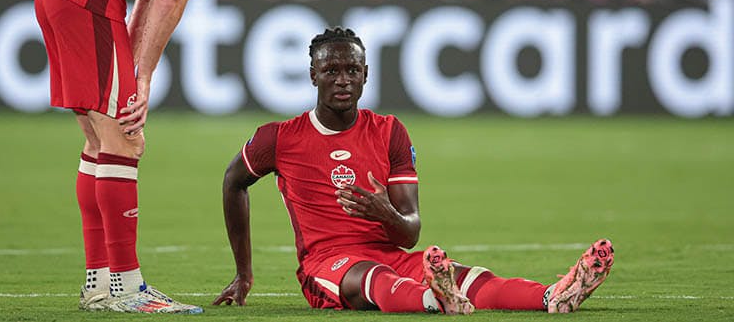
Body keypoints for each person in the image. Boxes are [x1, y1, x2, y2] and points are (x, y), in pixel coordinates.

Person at [34, 0, 310, 313]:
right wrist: (143, 77)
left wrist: (138, 72)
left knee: (100, 141)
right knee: (126, 139)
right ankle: (126, 288)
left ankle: (101, 284)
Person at [214, 27, 614, 314]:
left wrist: (383, 212)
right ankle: (436, 300)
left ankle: (552, 295)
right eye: (331, 70)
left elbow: (409, 234)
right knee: (378, 280)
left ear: (365, 75)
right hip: (328, 264)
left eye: (352, 71)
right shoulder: (279, 139)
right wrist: (243, 273)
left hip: (390, 253)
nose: (342, 80)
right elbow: (234, 182)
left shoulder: (389, 132)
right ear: (312, 75)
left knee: (469, 276)